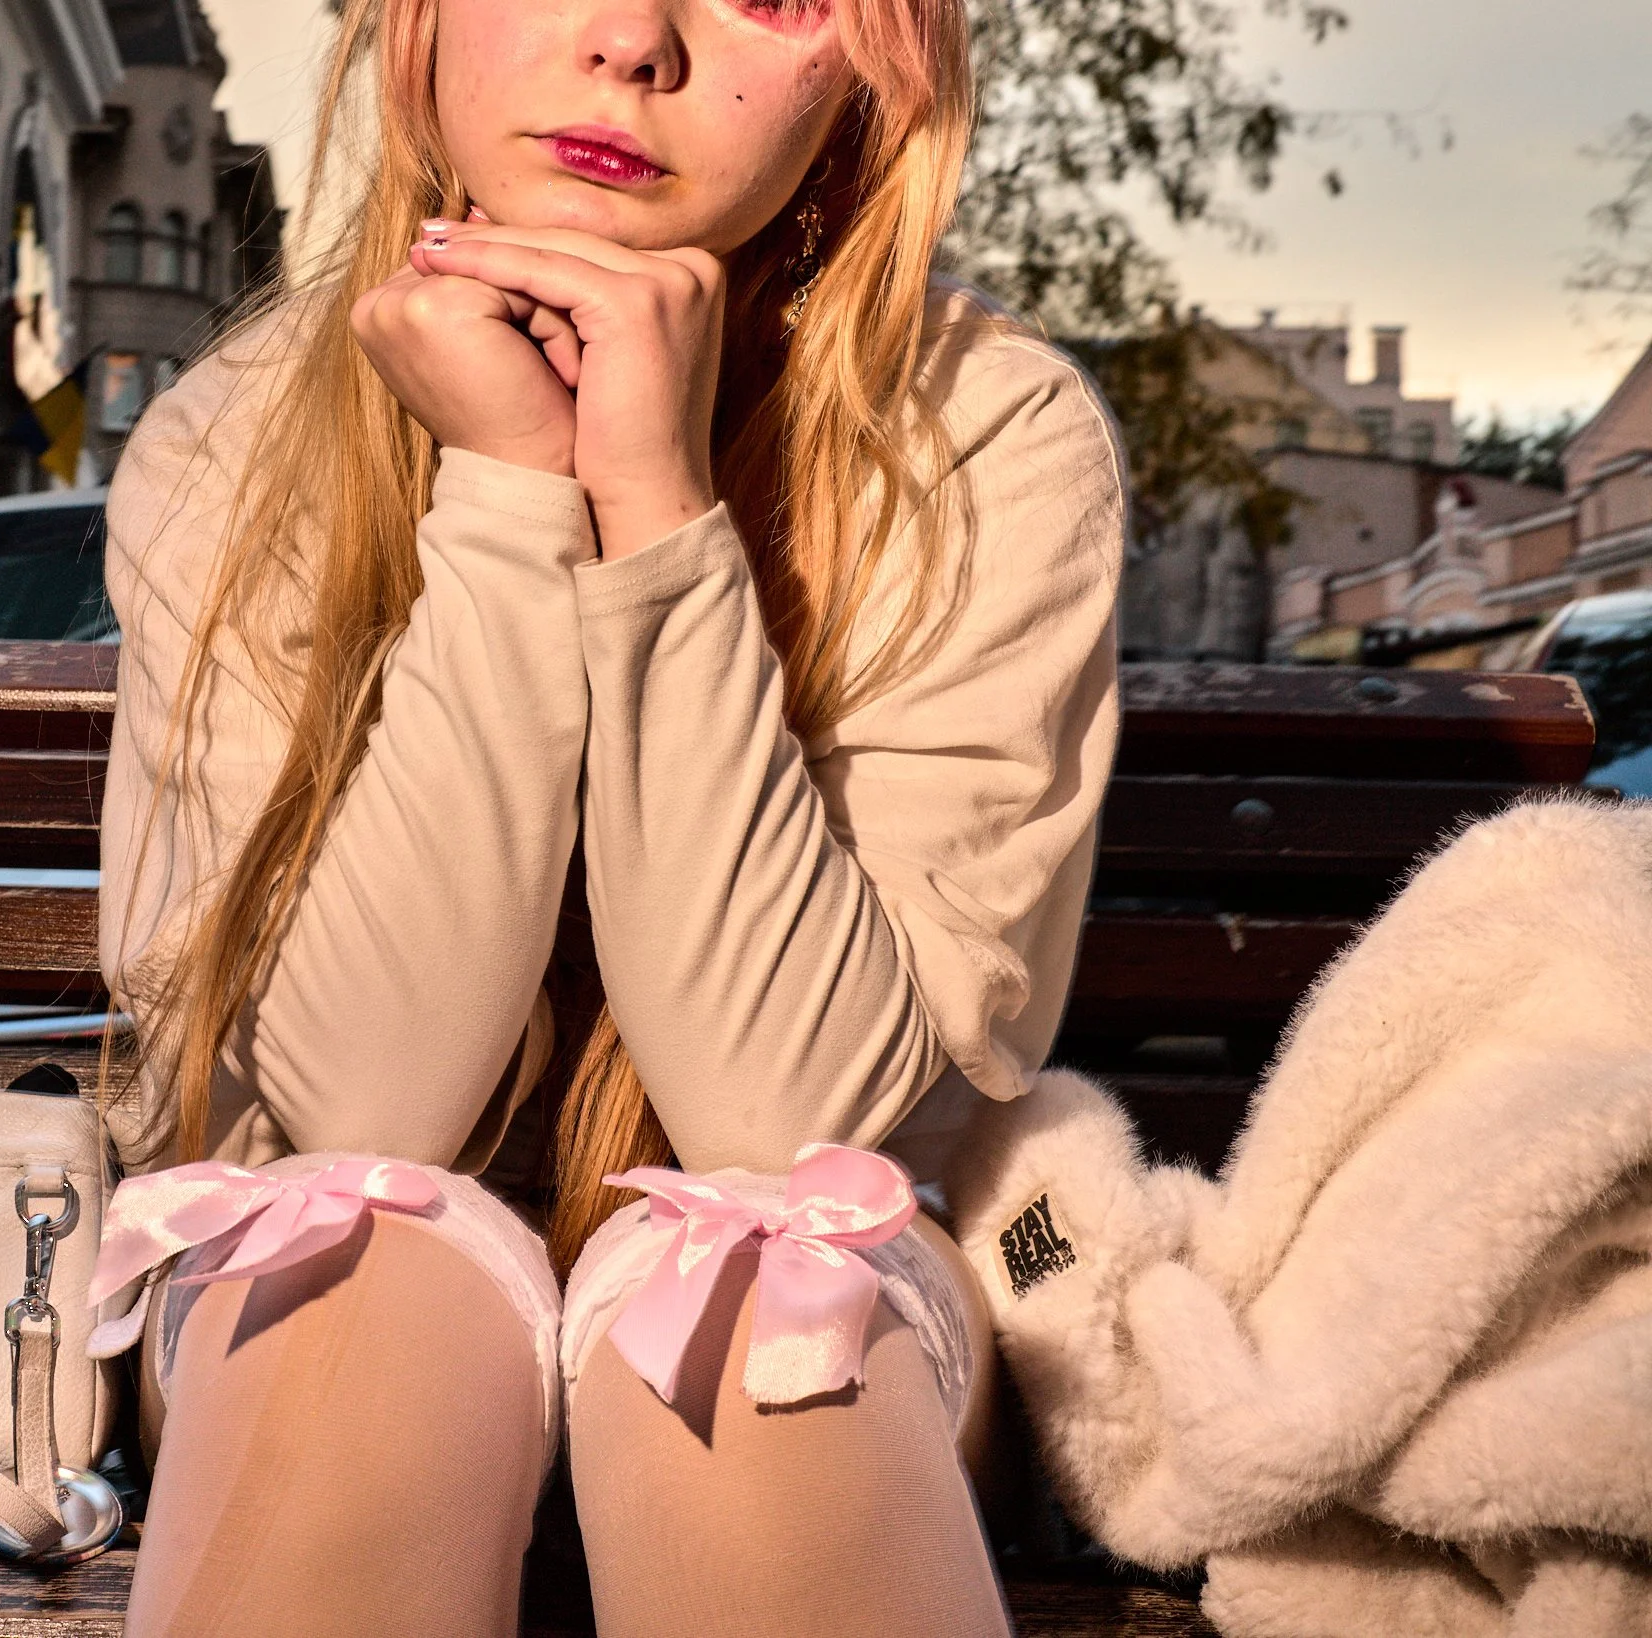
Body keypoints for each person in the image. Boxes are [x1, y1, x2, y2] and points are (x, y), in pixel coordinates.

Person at [92, 0, 1125, 1631]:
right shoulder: (237, 441)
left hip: (843, 1285)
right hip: (310, 1278)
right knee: (352, 1255)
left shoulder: (981, 438)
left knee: (759, 1303)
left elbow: (790, 1125)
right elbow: (365, 1104)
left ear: (869, 70)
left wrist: (653, 507)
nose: (634, 40)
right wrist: (507, 490)